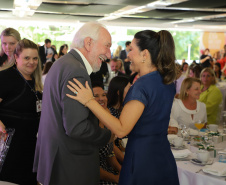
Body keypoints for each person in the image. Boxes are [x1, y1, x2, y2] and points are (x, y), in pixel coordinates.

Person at [67, 30, 179, 185]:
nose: (128, 55)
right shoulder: (166, 82)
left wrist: (89, 101)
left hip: (142, 159)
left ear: (144, 54)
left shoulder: (142, 86)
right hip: (162, 156)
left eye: (131, 49)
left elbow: (121, 130)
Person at [33, 22, 112, 185]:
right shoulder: (77, 71)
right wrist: (107, 135)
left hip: (57, 160)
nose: (109, 54)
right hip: (71, 167)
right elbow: (77, 128)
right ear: (89, 43)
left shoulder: (62, 63)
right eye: (107, 46)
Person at [0, 38, 43, 184]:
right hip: (8, 151)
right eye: (27, 58)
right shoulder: (5, 78)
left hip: (30, 150)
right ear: (16, 58)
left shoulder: (37, 83)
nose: (31, 62)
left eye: (35, 58)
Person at [92, 81, 121, 184]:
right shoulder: (88, 125)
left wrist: (122, 169)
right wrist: (115, 178)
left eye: (104, 95)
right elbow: (90, 167)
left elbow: (109, 152)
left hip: (107, 172)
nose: (101, 98)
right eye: (96, 96)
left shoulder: (105, 118)